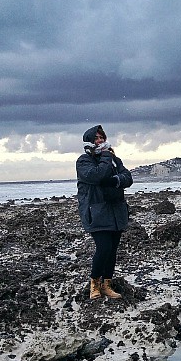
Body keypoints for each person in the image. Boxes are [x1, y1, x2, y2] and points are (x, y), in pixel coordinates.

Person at [76, 125, 133, 299]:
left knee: (113, 249)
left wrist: (116, 180)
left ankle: (107, 284)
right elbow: (97, 175)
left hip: (116, 212)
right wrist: (106, 157)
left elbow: (128, 177)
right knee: (104, 247)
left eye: (102, 137)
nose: (100, 141)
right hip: (97, 213)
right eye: (96, 139)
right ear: (90, 142)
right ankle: (94, 284)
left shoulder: (115, 160)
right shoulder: (84, 161)